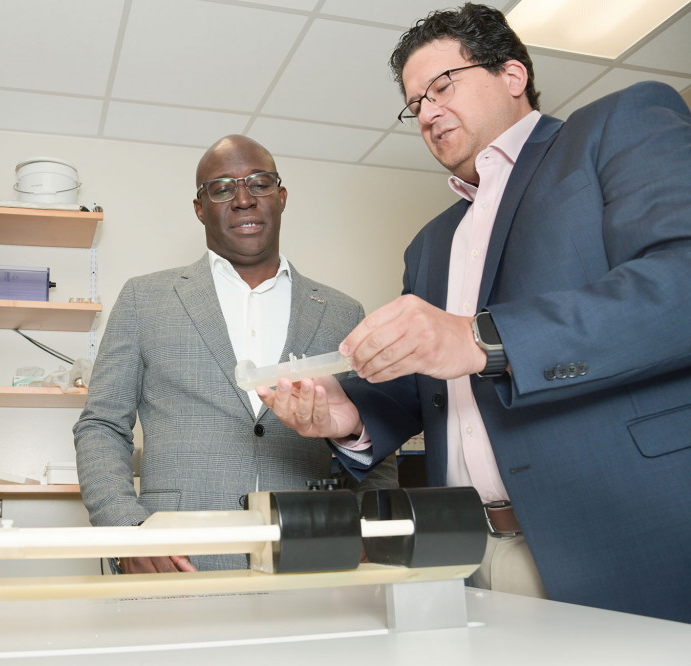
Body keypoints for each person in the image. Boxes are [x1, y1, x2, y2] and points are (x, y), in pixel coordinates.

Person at [260, 3, 691, 624]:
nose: (428, 113)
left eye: (443, 86)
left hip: (625, 534)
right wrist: (349, 415)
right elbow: (430, 389)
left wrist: (481, 339)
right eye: (415, 104)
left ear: (512, 75)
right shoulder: (432, 243)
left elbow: (678, 283)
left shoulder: (617, 125)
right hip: (466, 550)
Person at [74, 135, 398, 574]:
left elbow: (376, 438)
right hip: (178, 560)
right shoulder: (144, 298)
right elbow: (100, 425)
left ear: (281, 198)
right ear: (199, 207)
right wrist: (126, 530)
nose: (243, 199)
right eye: (223, 188)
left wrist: (368, 529)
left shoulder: (343, 312)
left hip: (313, 559)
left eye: (259, 184)